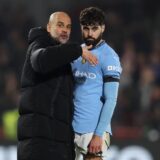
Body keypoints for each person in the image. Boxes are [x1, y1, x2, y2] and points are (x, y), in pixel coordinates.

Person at [17, 11, 98, 160]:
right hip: (38, 147)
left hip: (57, 147)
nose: (65, 30)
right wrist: (77, 50)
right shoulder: (39, 43)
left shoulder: (64, 61)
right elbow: (41, 61)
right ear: (48, 27)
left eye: (68, 27)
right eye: (60, 25)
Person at [72, 7, 122, 160]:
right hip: (71, 129)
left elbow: (111, 99)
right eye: (86, 28)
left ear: (103, 28)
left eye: (94, 29)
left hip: (93, 131)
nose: (90, 33)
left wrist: (98, 134)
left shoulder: (109, 56)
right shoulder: (75, 54)